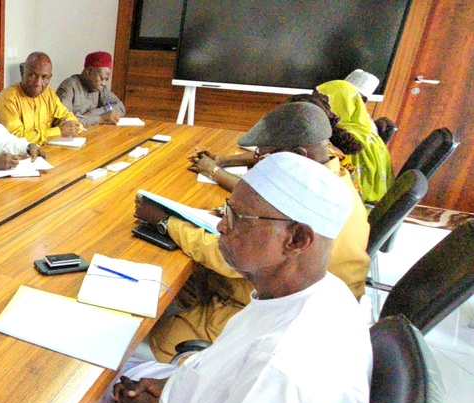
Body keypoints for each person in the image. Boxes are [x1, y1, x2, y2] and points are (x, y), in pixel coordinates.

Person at [34, 152, 372, 403]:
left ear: (297, 239)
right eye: (226, 210)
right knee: (100, 377)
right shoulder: (315, 290)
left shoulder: (287, 367)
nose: (219, 226)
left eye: (237, 219)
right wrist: (171, 388)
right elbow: (229, 376)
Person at [144, 102, 370, 362]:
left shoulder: (310, 202)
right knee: (190, 284)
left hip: (288, 318)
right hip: (308, 298)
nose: (257, 163)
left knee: (163, 335)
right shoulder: (329, 182)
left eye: (264, 158)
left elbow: (230, 260)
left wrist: (167, 223)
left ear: (298, 154)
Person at [316, 79, 394, 202]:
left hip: (356, 203)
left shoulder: (351, 137)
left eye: (322, 102)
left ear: (339, 103)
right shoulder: (362, 126)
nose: (315, 107)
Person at [0, 52, 82, 144]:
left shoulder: (48, 93)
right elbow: (15, 138)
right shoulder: (8, 97)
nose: (38, 84)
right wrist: (58, 131)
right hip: (18, 156)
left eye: (45, 77)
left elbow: (67, 117)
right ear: (22, 72)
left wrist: (70, 126)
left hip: (46, 151)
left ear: (50, 77)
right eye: (33, 75)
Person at [56, 51, 125, 126]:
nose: (104, 83)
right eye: (101, 78)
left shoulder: (101, 88)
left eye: (106, 79)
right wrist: (101, 118)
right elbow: (65, 122)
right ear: (89, 71)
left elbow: (120, 107)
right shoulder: (69, 87)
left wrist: (92, 113)